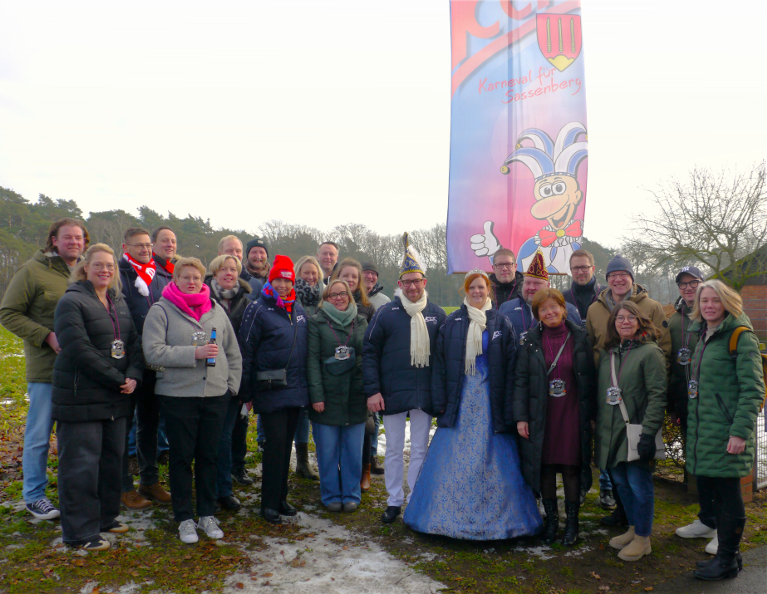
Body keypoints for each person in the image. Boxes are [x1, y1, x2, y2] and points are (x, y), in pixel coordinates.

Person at [404, 270, 541, 539]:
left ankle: (504, 520)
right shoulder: (452, 322)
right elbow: (440, 365)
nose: (477, 292)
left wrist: (511, 405)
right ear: (465, 291)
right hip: (461, 399)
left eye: (481, 287)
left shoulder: (502, 322)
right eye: (472, 288)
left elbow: (512, 368)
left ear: (488, 289)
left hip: (491, 400)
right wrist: (440, 401)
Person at [142, 257, 242, 544]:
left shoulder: (215, 310)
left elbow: (232, 351)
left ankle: (207, 513)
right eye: (185, 277)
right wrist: (193, 354)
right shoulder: (161, 310)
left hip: (215, 395)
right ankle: (184, 517)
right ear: (175, 279)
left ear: (202, 280)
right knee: (182, 458)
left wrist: (231, 386)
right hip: (178, 396)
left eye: (196, 277)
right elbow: (153, 352)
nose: (191, 282)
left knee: (209, 457)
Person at [53, 244, 143, 551]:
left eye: (110, 266)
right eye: (99, 265)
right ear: (85, 268)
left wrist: (134, 374)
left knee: (111, 461)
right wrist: (119, 379)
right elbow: (78, 349)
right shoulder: (71, 302)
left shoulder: (118, 301)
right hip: (81, 398)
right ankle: (79, 533)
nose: (105, 270)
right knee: (81, 466)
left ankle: (105, 517)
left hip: (116, 398)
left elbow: (133, 342)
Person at [0, 217, 88, 520]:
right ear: (54, 240)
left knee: (75, 438)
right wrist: (46, 335)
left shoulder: (86, 273)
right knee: (39, 436)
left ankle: (73, 493)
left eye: (79, 237)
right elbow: (8, 313)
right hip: (47, 370)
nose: (74, 242)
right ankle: (34, 495)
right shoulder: (32, 271)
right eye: (68, 237)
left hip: (83, 371)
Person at [364, 236, 446, 524]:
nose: (412, 287)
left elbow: (444, 358)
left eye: (417, 281)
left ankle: (415, 499)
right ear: (399, 284)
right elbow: (369, 352)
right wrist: (373, 390)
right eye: (407, 282)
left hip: (424, 392)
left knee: (421, 448)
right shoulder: (386, 313)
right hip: (392, 392)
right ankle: (394, 500)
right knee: (394, 449)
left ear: (424, 282)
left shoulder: (437, 314)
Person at [686, 281, 764, 581]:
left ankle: (727, 560)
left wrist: (739, 432)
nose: (708, 306)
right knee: (717, 494)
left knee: (729, 494)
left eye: (715, 300)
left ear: (727, 303)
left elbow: (754, 389)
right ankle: (731, 556)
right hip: (706, 430)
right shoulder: (704, 335)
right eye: (704, 300)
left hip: (727, 431)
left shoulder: (740, 337)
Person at [586, 254, 670, 528]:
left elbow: (663, 355)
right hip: (608, 407)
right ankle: (629, 524)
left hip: (636, 407)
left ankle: (641, 533)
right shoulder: (596, 314)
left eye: (623, 274)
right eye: (612, 275)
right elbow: (590, 348)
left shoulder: (652, 313)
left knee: (637, 478)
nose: (618, 279)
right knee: (619, 475)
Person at [514, 288, 596, 546]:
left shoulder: (581, 337)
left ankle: (572, 523)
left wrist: (592, 415)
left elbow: (591, 378)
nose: (549, 312)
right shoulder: (530, 342)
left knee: (571, 467)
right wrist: (521, 417)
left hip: (572, 412)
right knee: (545, 468)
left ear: (563, 308)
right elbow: (521, 381)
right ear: (537, 314)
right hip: (542, 413)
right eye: (543, 309)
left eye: (554, 307)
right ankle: (551, 521)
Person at [239, 255, 309, 524]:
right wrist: (246, 392)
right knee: (274, 445)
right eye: (278, 279)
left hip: (295, 389)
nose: (282, 285)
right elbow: (246, 351)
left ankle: (281, 497)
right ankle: (268, 503)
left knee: (285, 445)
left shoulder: (298, 309)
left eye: (287, 280)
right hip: (270, 388)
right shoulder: (258, 309)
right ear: (270, 280)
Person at [595, 302, 666, 562]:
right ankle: (633, 528)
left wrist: (648, 433)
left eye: (630, 317)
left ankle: (643, 539)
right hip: (611, 432)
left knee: (639, 485)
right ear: (613, 323)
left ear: (640, 321)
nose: (625, 322)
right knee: (622, 484)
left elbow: (657, 395)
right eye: (619, 318)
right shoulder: (609, 353)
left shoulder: (650, 352)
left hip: (636, 429)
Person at [118, 227, 172, 510]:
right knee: (123, 426)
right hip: (127, 363)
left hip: (154, 363)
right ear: (125, 247)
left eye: (148, 245)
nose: (145, 250)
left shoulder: (160, 276)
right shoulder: (119, 276)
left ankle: (149, 480)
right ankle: (123, 487)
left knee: (149, 425)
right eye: (138, 245)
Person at [307, 279, 368, 512]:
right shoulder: (316, 322)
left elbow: (367, 355)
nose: (339, 298)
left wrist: (369, 389)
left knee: (353, 450)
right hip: (327, 394)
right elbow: (312, 360)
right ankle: (331, 493)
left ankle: (351, 493)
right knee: (328, 449)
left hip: (355, 393)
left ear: (350, 296)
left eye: (343, 294)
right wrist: (316, 395)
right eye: (333, 295)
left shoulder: (360, 321)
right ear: (325, 299)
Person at [669, 266, 718, 551]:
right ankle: (707, 519)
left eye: (693, 283)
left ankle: (725, 526)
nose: (688, 288)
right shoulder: (675, 321)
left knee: (718, 466)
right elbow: (674, 365)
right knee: (697, 462)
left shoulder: (716, 317)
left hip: (714, 406)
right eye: (683, 284)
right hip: (688, 404)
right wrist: (674, 405)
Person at [563, 248, 611, 510]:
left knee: (605, 431)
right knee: (577, 433)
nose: (580, 272)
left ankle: (607, 487)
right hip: (574, 375)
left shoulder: (606, 296)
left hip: (604, 371)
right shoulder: (563, 298)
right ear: (570, 271)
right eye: (575, 268)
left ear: (593, 268)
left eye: (584, 267)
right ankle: (582, 485)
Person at [204, 255, 252, 511]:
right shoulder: (203, 299)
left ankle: (223, 490)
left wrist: (244, 384)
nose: (228, 273)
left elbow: (250, 345)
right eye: (223, 269)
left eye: (233, 269)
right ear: (214, 273)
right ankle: (207, 489)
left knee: (224, 437)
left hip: (234, 379)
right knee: (208, 438)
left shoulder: (247, 303)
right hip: (206, 378)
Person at [217, 234, 255, 486]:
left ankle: (237, 467)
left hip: (239, 370)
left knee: (239, 424)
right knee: (218, 430)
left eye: (238, 252)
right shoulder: (206, 295)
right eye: (229, 251)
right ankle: (217, 477)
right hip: (211, 371)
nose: (234, 255)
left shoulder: (247, 300)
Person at [498, 251, 581, 344]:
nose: (531, 287)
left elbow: (578, 343)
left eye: (537, 283)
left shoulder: (568, 310)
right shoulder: (505, 308)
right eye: (527, 283)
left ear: (548, 286)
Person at [361, 260, 389, 476]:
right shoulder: (350, 296)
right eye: (366, 273)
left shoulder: (384, 301)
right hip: (355, 359)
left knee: (374, 414)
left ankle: (371, 456)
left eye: (373, 274)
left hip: (377, 361)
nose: (370, 277)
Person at [331, 258, 375, 323]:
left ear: (359, 280)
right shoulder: (328, 302)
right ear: (337, 277)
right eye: (345, 276)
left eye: (354, 277)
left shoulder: (368, 307)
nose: (350, 279)